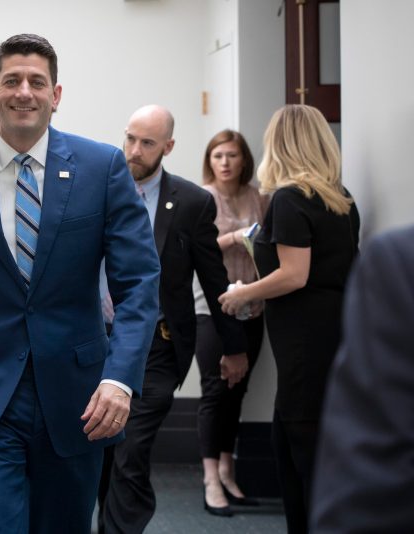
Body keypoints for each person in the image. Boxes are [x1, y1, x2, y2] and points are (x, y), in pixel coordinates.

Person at [0, 34, 161, 534]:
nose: (24, 91)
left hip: (79, 398)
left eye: (37, 82)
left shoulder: (101, 167)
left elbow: (139, 283)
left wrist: (120, 377)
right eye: (12, 81)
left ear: (56, 94)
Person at [100, 105, 248, 533]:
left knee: (129, 448)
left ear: (168, 146)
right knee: (102, 451)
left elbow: (214, 276)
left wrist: (234, 348)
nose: (134, 150)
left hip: (158, 346)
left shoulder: (191, 203)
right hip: (97, 341)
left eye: (147, 143)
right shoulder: (98, 190)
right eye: (130, 138)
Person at [219, 104, 360, 534]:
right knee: (291, 442)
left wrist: (242, 292)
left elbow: (295, 275)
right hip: (334, 332)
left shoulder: (289, 198)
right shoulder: (341, 198)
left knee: (303, 456)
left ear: (279, 144)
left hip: (304, 340)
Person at [310, 225, 414, 532]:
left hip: (298, 329)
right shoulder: (342, 203)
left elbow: (373, 480)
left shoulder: (400, 261)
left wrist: (243, 293)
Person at [194, 130, 269, 514]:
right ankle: (210, 479)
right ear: (210, 160)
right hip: (211, 306)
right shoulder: (202, 196)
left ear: (244, 161)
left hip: (252, 305)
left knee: (238, 390)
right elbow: (194, 247)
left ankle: (228, 471)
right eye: (218, 155)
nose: (225, 162)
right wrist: (235, 236)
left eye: (232, 156)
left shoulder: (260, 197)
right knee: (214, 390)